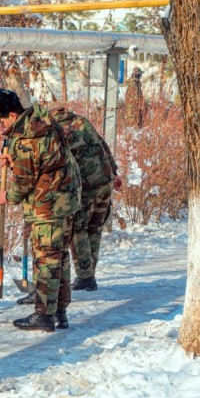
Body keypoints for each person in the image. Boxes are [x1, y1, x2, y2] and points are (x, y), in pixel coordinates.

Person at [0, 89, 81, 332]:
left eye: (2, 119)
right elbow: (44, 162)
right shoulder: (44, 123)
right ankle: (59, 310)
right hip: (65, 200)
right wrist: (14, 163)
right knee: (59, 257)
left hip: (47, 205)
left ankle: (43, 314)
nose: (1, 124)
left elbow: (23, 184)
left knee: (46, 260)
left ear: (11, 114)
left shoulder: (27, 139)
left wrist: (6, 196)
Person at [52, 106, 122, 292]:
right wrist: (114, 172)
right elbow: (102, 144)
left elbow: (58, 161)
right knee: (95, 227)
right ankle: (89, 273)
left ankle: (86, 276)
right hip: (105, 181)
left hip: (87, 186)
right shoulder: (82, 121)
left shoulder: (56, 131)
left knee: (78, 228)